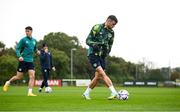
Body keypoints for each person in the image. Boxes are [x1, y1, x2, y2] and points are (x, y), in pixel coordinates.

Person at [83, 15, 118, 100]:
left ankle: (86, 93)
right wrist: (93, 44)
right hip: (93, 55)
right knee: (102, 74)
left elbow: (110, 45)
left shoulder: (112, 32)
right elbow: (87, 40)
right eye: (113, 24)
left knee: (98, 77)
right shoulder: (97, 27)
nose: (114, 26)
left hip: (102, 56)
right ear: (108, 21)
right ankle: (114, 92)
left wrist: (107, 52)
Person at [3, 26, 40, 96]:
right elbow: (17, 49)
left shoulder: (34, 40)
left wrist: (37, 51)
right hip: (23, 60)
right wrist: (19, 56)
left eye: (28, 31)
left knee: (32, 76)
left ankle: (30, 92)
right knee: (19, 77)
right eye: (26, 31)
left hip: (30, 61)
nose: (27, 32)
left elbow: (35, 49)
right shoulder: (23, 40)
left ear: (31, 31)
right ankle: (8, 82)